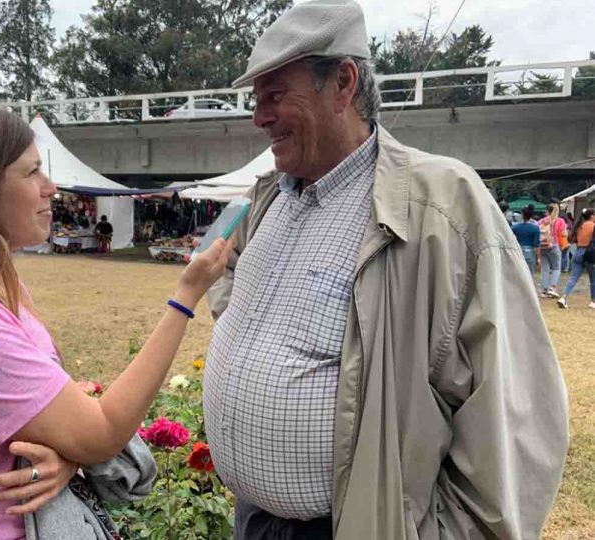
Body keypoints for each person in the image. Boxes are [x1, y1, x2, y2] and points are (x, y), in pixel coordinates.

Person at [203, 1, 568, 538]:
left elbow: (515, 420)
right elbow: (227, 277)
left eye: (275, 96)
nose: (258, 117)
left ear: (344, 82)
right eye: (256, 100)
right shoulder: (269, 198)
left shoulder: (442, 205)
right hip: (253, 522)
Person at [0, 99, 231, 539]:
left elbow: (51, 417)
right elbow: (99, 434)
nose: (51, 187)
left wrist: (70, 454)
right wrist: (185, 297)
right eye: (31, 172)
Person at [557, 208, 595, 309]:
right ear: (591, 216)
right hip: (590, 253)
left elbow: (572, 239)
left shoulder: (578, 226)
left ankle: (564, 297)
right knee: (593, 279)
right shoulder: (593, 226)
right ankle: (593, 301)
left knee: (573, 277)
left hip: (578, 252)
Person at [537, 203, 566, 298]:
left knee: (545, 268)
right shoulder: (560, 221)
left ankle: (544, 290)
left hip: (543, 246)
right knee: (556, 267)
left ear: (547, 211)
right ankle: (552, 288)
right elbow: (563, 234)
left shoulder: (541, 221)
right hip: (554, 245)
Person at [512, 206, 541, 276]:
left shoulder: (515, 227)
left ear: (522, 215)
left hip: (518, 251)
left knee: (519, 273)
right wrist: (538, 258)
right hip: (530, 252)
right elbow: (536, 246)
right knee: (530, 273)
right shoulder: (535, 228)